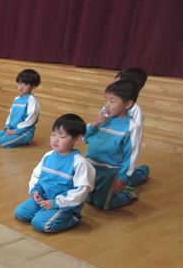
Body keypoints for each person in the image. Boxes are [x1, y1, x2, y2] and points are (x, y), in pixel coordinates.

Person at [14, 114, 95, 233]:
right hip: (45, 199)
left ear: (77, 139)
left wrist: (55, 203)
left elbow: (81, 191)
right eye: (53, 134)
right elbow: (36, 176)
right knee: (20, 213)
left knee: (40, 223)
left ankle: (73, 217)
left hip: (65, 205)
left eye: (62, 136)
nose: (55, 140)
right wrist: (36, 191)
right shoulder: (48, 156)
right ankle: (45, 213)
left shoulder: (80, 163)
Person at [84, 80, 141, 210]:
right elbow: (85, 138)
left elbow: (131, 155)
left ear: (127, 104)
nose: (107, 105)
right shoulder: (103, 120)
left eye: (112, 101)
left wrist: (122, 177)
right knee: (87, 199)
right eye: (106, 100)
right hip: (90, 165)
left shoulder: (131, 127)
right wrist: (94, 124)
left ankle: (127, 193)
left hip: (109, 171)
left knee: (102, 205)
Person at [114, 67, 149, 185]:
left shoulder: (135, 111)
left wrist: (125, 174)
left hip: (121, 159)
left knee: (125, 181)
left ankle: (141, 172)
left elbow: (135, 142)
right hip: (108, 156)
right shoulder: (110, 104)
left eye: (117, 84)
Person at [0, 69, 41, 148]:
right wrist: (7, 128)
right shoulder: (16, 99)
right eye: (19, 83)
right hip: (12, 129)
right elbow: (11, 114)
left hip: (24, 132)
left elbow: (30, 120)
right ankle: (11, 137)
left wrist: (16, 131)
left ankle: (25, 140)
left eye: (26, 85)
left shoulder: (32, 101)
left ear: (33, 86)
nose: (21, 87)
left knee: (2, 141)